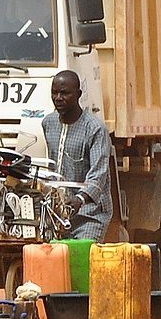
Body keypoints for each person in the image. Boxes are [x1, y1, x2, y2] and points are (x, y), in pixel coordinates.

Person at [40, 71, 114, 242]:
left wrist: (80, 198)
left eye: (65, 93)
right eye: (54, 92)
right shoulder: (48, 123)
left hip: (90, 214)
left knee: (81, 261)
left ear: (78, 95)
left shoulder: (95, 128)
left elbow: (99, 174)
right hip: (57, 214)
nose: (58, 98)